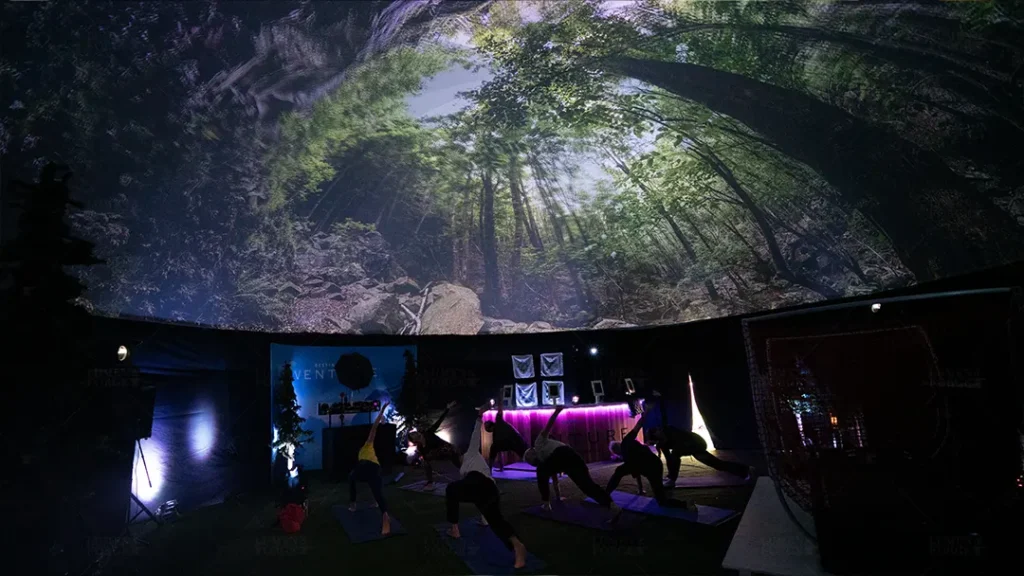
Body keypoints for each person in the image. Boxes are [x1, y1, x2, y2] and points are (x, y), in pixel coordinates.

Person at [445, 403, 529, 569]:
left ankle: (454, 528)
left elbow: (475, 436)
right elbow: (473, 491)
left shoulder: (471, 453)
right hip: (489, 490)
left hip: (480, 483)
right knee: (496, 521)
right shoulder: (463, 470)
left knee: (451, 489)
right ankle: (517, 545)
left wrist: (479, 416)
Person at [523, 405, 622, 522]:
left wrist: (557, 411)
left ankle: (545, 503)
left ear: (531, 453)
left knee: (541, 472)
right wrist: (558, 496)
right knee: (587, 486)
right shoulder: (546, 462)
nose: (532, 463)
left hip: (564, 454)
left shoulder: (538, 444)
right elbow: (553, 478)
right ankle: (613, 506)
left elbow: (548, 427)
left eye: (529, 461)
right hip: (572, 459)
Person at [647, 391, 754, 488]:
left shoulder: (668, 430)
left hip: (696, 443)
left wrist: (659, 398)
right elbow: (670, 461)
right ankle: (745, 469)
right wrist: (670, 475)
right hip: (689, 446)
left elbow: (664, 415)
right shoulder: (663, 443)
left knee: (676, 454)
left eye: (658, 432)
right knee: (717, 464)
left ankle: (671, 480)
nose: (658, 433)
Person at [607, 405, 697, 511]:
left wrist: (640, 489)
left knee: (619, 471)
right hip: (656, 464)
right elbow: (639, 424)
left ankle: (605, 494)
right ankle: (685, 504)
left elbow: (635, 472)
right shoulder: (627, 441)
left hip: (650, 468)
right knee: (661, 498)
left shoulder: (627, 458)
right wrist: (647, 412)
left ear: (617, 453)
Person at [348, 402, 392, 535]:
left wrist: (382, 410)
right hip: (373, 468)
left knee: (352, 477)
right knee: (376, 491)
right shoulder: (361, 452)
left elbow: (374, 427)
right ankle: (383, 513)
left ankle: (354, 504)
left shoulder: (368, 444)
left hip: (369, 466)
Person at [408, 401, 462, 489]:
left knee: (458, 463)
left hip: (447, 449)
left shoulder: (428, 433)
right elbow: (426, 460)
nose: (414, 433)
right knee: (426, 462)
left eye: (414, 433)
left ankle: (467, 475)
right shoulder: (420, 447)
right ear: (414, 440)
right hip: (438, 454)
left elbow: (439, 422)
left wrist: (447, 409)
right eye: (412, 435)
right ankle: (430, 482)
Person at [484, 399, 527, 471]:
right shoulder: (495, 435)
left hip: (515, 441)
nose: (486, 429)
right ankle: (492, 469)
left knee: (526, 455)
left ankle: (539, 464)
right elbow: (498, 450)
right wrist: (501, 467)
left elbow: (500, 409)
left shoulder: (498, 421)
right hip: (510, 442)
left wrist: (500, 396)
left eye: (486, 427)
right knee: (494, 447)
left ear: (491, 426)